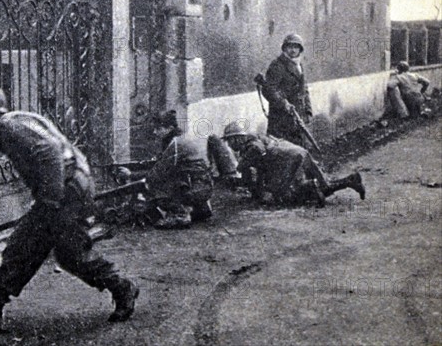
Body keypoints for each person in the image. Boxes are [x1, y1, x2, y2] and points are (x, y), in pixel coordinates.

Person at [0, 84, 139, 331]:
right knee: (25, 243)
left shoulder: (7, 126)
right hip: (69, 187)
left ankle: (123, 288)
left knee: (68, 254)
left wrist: (49, 200)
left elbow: (50, 152)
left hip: (68, 191)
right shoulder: (14, 122)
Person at [222, 121, 365, 208]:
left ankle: (310, 187)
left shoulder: (251, 147)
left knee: (282, 196)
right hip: (298, 152)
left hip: (288, 159)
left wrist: (256, 189)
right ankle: (350, 180)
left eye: (230, 140)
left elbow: (255, 164)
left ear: (238, 138)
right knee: (325, 185)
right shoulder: (257, 137)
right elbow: (261, 169)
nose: (229, 145)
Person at [146, 110, 214, 229]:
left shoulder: (176, 144)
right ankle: (200, 208)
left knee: (156, 184)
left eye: (158, 128)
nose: (154, 132)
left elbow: (159, 172)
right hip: (203, 186)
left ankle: (180, 215)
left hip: (198, 189)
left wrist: (131, 175)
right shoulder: (180, 139)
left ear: (170, 128)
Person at [259, 33, 312, 147]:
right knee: (283, 151)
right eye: (290, 47)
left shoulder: (299, 65)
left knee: (300, 148)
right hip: (281, 119)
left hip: (298, 116)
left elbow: (304, 89)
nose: (293, 50)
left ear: (300, 49)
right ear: (284, 48)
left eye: (296, 47)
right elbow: (268, 90)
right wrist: (284, 104)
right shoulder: (277, 65)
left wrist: (308, 110)